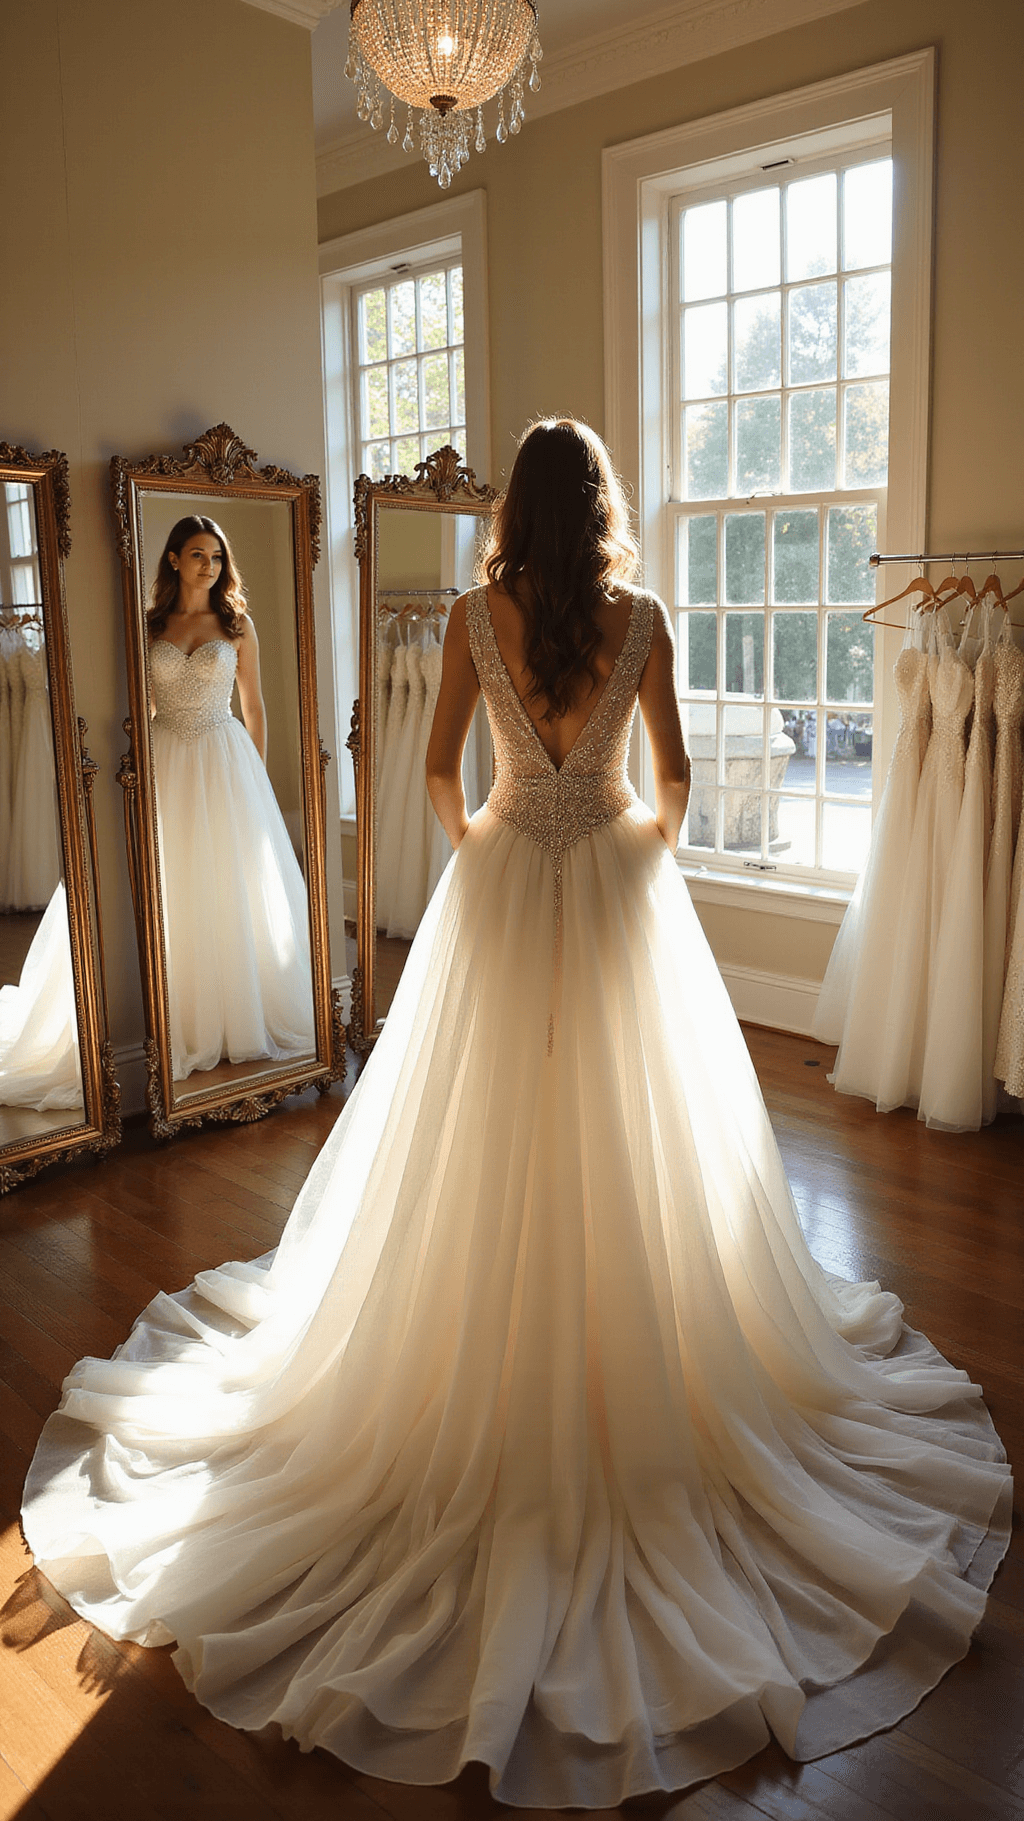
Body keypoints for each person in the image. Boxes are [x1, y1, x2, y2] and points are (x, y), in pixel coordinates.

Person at [22, 425, 1010, 1810]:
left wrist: (493, 839)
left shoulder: (481, 614)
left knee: (477, 1142)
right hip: (613, 892)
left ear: (514, 519)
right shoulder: (647, 619)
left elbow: (432, 777)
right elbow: (672, 789)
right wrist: (627, 864)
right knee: (634, 1140)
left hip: (500, 897)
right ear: (602, 512)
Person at [145, 514, 314, 1079]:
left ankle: (238, 1018)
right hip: (165, 753)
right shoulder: (150, 626)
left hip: (224, 756)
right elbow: (138, 704)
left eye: (216, 557)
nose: (209, 566)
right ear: (174, 559)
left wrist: (257, 780)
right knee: (176, 878)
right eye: (198, 555)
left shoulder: (236, 625)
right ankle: (184, 1019)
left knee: (229, 880)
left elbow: (255, 706)